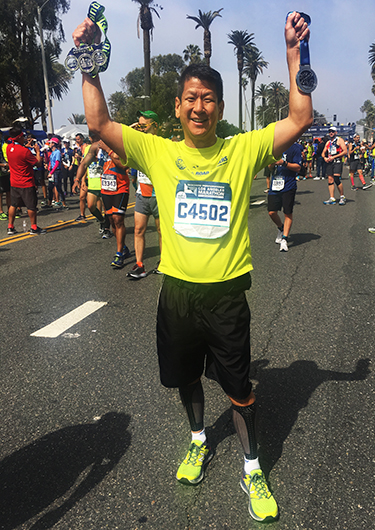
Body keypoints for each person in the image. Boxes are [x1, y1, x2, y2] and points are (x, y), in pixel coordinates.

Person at [73, 10, 312, 523]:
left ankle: (251, 466)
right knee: (184, 378)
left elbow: (298, 120)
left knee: (240, 390)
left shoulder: (241, 149)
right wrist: (90, 65)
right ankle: (198, 439)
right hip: (176, 293)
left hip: (226, 295)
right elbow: (99, 124)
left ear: (220, 107)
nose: (199, 107)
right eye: (191, 98)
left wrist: (296, 55)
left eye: (208, 98)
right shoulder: (156, 152)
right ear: (177, 107)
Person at [127, 111, 162, 279]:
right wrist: (130, 130)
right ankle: (139, 265)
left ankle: (164, 262)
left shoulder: (162, 143)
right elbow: (121, 145)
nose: (140, 128)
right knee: (138, 229)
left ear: (154, 126)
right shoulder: (138, 143)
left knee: (161, 231)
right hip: (142, 195)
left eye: (143, 125)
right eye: (138, 125)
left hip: (159, 195)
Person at [6, 127, 45, 235]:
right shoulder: (24, 152)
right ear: (19, 137)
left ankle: (10, 226)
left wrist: (25, 146)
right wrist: (37, 152)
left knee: (13, 205)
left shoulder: (9, 148)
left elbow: (17, 150)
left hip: (14, 182)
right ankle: (34, 227)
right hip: (26, 182)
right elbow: (37, 163)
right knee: (31, 206)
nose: (24, 138)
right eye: (22, 136)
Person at [99, 141, 131, 268]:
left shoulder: (120, 147)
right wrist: (78, 178)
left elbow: (123, 166)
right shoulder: (99, 147)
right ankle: (123, 247)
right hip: (106, 188)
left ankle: (119, 254)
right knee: (111, 220)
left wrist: (109, 149)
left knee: (118, 220)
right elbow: (87, 161)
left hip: (121, 188)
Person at [73, 136, 111, 236]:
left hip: (104, 181)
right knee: (90, 206)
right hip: (93, 182)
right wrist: (82, 180)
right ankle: (102, 220)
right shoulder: (88, 148)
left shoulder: (105, 145)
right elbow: (85, 164)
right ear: (90, 137)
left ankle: (106, 229)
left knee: (106, 208)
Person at [267, 142, 302, 252]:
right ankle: (281, 228)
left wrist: (284, 163)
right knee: (271, 212)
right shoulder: (275, 147)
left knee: (287, 212)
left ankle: (284, 239)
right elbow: (269, 167)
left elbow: (298, 167)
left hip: (289, 185)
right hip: (275, 184)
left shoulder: (295, 148)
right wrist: (272, 164)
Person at [322, 126, 347, 205]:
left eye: (332, 131)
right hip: (330, 162)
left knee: (336, 178)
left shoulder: (339, 140)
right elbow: (323, 152)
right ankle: (332, 198)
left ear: (336, 132)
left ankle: (342, 196)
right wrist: (325, 158)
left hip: (337, 161)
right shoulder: (328, 142)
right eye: (330, 131)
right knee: (330, 179)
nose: (331, 133)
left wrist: (334, 157)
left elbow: (345, 151)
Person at [48, 137, 68, 210]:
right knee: (50, 187)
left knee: (58, 187)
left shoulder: (57, 152)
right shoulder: (52, 153)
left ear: (53, 144)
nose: (49, 144)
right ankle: (49, 203)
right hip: (52, 170)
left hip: (57, 171)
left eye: (50, 143)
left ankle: (64, 204)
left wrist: (51, 172)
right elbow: (50, 161)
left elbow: (57, 163)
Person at [0, 133, 11, 221]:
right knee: (0, 193)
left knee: (8, 191)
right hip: (0, 172)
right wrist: (3, 164)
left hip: (6, 171)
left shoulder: (3, 144)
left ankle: (9, 210)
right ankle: (0, 212)